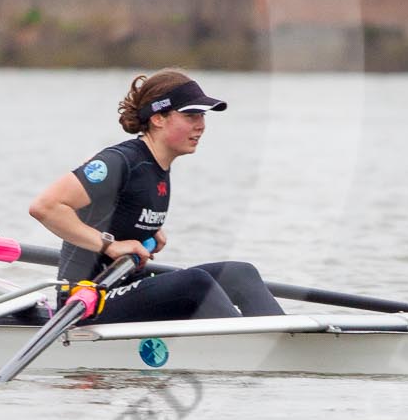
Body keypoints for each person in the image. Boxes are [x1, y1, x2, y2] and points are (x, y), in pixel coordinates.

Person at [27, 69, 284, 324]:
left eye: (202, 115)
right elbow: (45, 207)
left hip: (127, 286)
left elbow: (119, 206)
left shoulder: (154, 164)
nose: (201, 125)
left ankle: (288, 340)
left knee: (240, 273)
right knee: (196, 284)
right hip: (86, 300)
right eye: (191, 114)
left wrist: (146, 229)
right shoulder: (120, 161)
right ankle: (248, 348)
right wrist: (111, 246)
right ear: (158, 118)